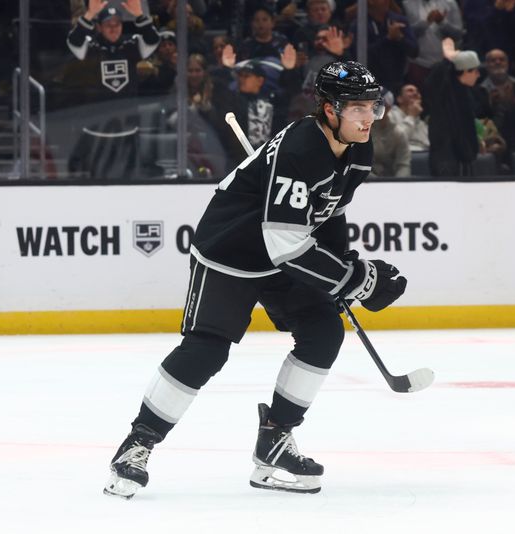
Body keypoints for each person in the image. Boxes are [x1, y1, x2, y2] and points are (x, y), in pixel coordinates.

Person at [103, 61, 407, 499]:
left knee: (323, 331)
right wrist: (354, 280)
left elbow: (329, 213)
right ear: (326, 109)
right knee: (206, 351)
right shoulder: (302, 149)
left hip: (283, 251)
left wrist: (343, 269)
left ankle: (274, 442)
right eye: (355, 107)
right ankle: (137, 446)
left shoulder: (358, 149)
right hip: (232, 250)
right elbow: (284, 243)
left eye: (371, 107)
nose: (367, 118)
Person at [65, 0, 160, 103]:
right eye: (108, 25)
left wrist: (139, 15)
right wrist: (90, 14)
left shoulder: (132, 44)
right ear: (100, 27)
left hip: (128, 111)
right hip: (98, 111)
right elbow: (73, 41)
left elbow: (153, 40)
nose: (113, 28)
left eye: (117, 24)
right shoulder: (91, 45)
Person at [423, 38, 481, 176]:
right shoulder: (444, 95)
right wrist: (446, 61)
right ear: (465, 71)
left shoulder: (466, 93)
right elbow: (432, 85)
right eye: (475, 71)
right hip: (446, 160)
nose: (478, 75)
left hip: (463, 159)